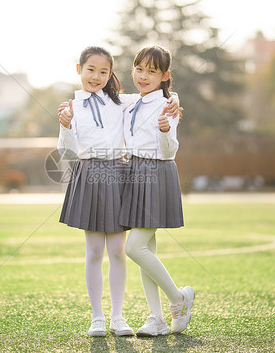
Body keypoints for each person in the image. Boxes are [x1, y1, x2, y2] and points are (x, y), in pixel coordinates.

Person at [57, 46, 180, 337]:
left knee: (118, 251)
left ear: (111, 74)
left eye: (103, 72)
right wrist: (64, 126)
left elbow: (152, 98)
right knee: (94, 251)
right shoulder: (71, 106)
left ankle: (118, 317)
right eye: (91, 70)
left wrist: (174, 99)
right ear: (79, 70)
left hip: (118, 173)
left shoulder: (120, 102)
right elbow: (67, 151)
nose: (96, 77)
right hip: (88, 173)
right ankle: (97, 318)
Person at [120, 45, 195, 337]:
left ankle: (178, 298)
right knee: (145, 249)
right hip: (135, 172)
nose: (143, 76)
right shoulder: (132, 102)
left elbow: (170, 150)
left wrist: (166, 130)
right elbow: (105, 98)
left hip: (157, 172)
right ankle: (157, 318)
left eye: (152, 71)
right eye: (139, 69)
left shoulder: (167, 105)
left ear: (164, 75)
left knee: (134, 247)